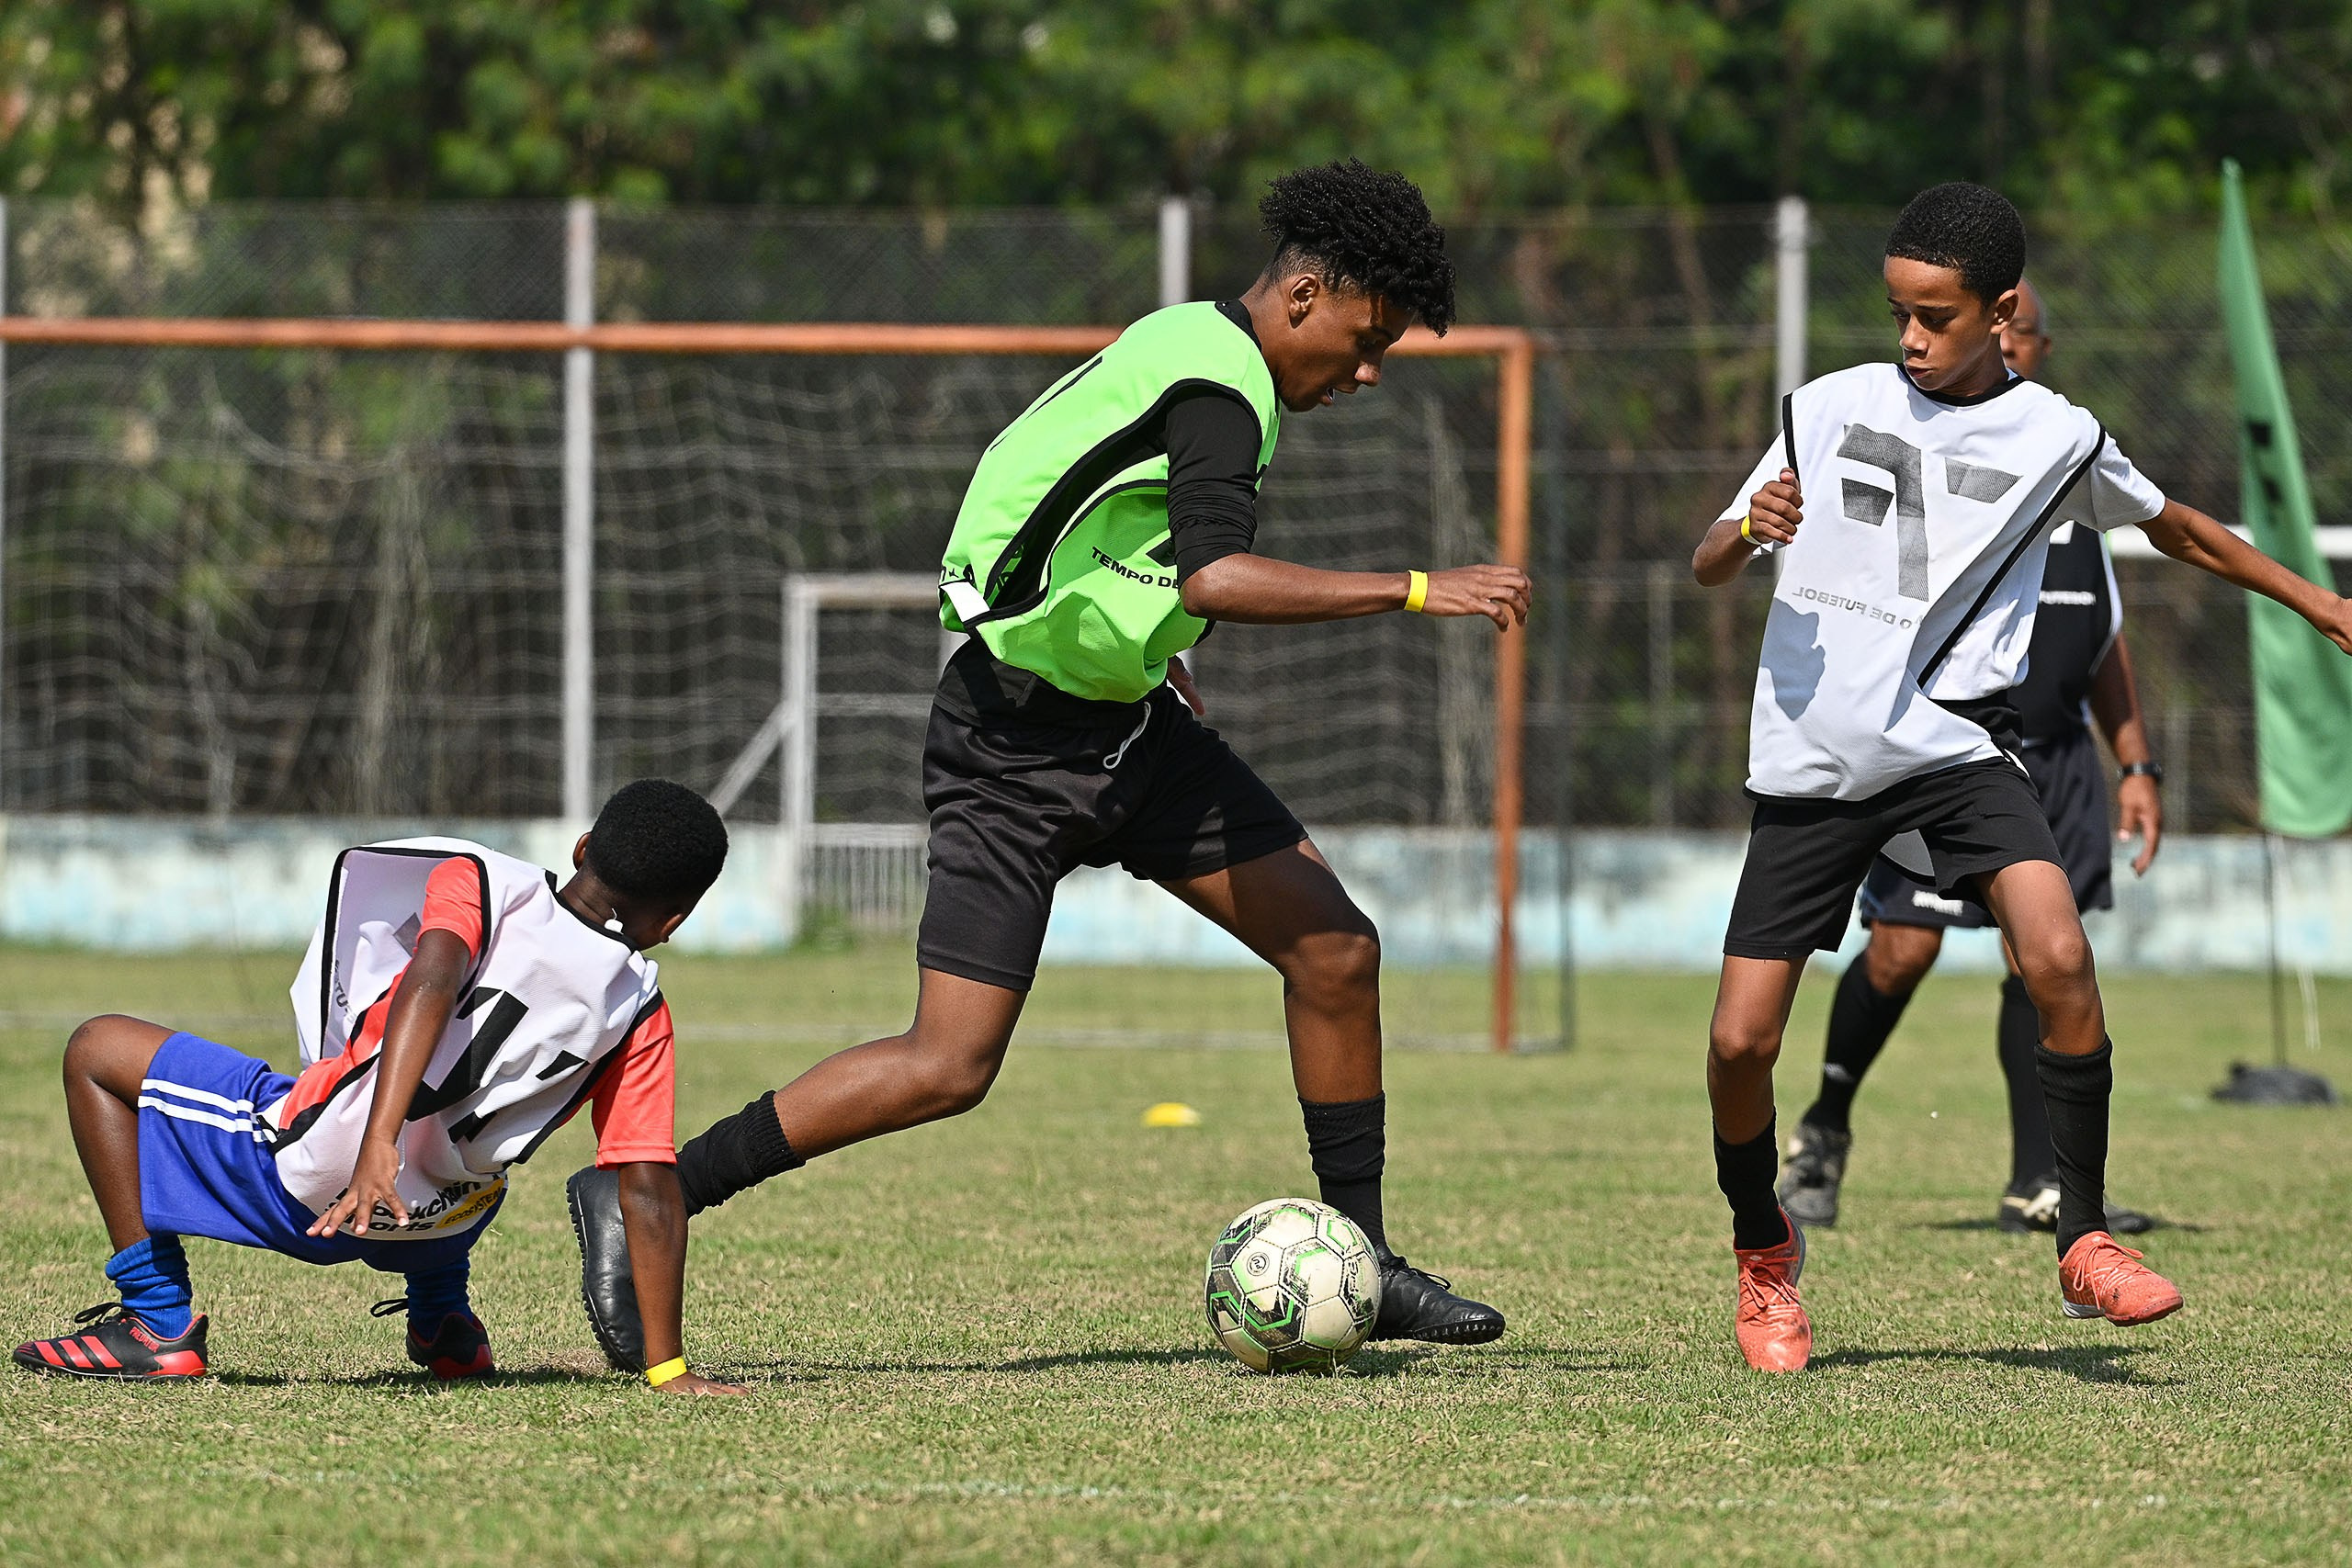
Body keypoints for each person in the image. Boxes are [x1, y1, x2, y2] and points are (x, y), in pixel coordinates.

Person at [567, 160, 1529, 1371]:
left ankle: (1367, 1258)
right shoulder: (1222, 385)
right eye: (1367, 335)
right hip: (1011, 749)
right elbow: (1211, 572)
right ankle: (651, 1186)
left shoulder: (1198, 343)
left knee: (1334, 946)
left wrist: (1158, 653)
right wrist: (1421, 587)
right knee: (947, 1062)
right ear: (1306, 294)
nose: (1371, 367)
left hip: (1128, 726)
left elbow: (1102, 529)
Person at [1690, 183, 2352, 1374]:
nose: (1907, 338)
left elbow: (2183, 527)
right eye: (1896, 310)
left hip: (1947, 744)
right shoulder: (1829, 407)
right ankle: (1763, 1247)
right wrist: (1747, 531)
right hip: (1812, 764)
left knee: (2056, 951)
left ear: (2002, 313)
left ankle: (2083, 1231)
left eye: (1934, 317)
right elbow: (1706, 560)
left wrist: (2318, 602)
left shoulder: (2056, 435)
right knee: (1741, 1045)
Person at [13, 780, 742, 1396]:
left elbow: (431, 976)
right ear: (674, 921)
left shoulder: (485, 881)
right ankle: (444, 1320)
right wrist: (667, 1366)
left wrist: (376, 1141)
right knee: (465, 1157)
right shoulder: (641, 1008)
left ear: (582, 847)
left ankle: (155, 1321)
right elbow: (646, 1184)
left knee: (96, 1047)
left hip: (321, 1178)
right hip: (444, 1215)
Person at [1777, 278, 2164, 1235]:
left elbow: (2104, 646)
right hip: (1946, 743)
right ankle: (1823, 1128)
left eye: (2033, 337)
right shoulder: (1939, 467)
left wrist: (2137, 764)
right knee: (1902, 949)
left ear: (2029, 341)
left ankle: (2039, 1183)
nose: (2020, 352)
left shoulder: (2071, 481)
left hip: (2057, 758)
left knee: (2042, 964)